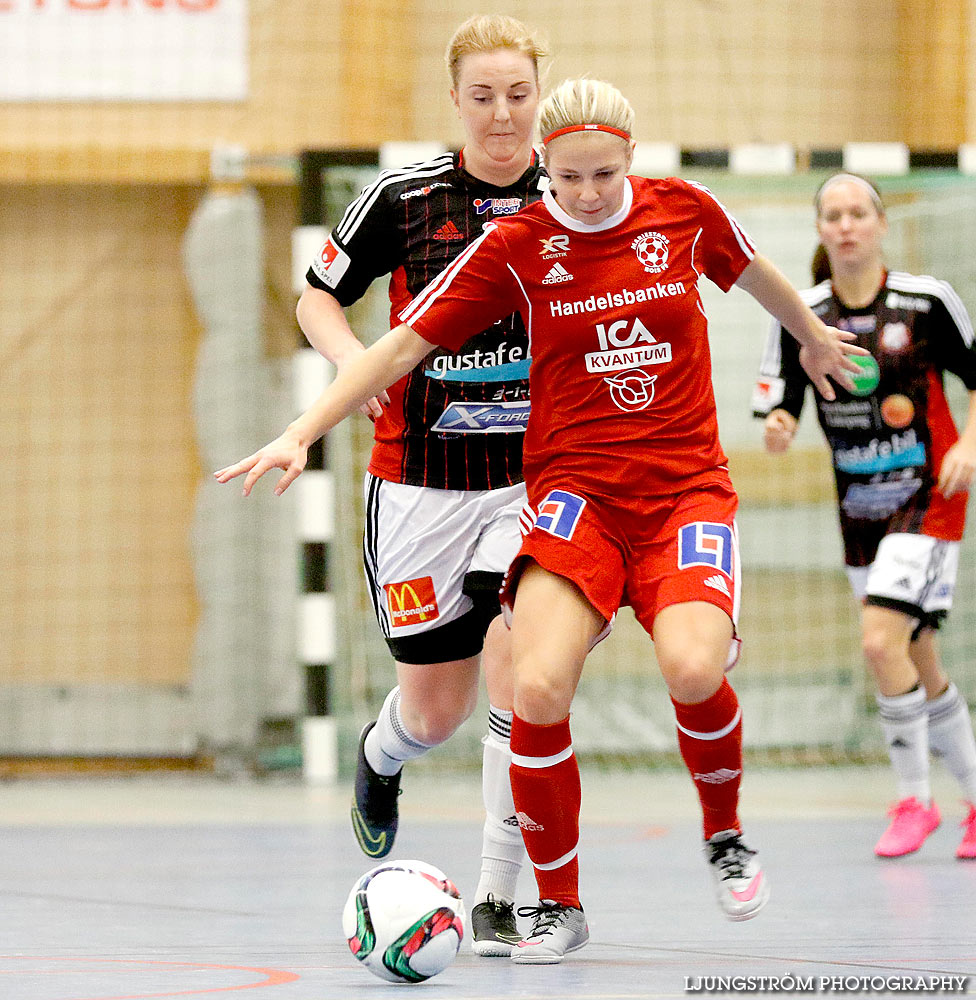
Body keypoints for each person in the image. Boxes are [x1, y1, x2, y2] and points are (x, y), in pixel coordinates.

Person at [216, 78, 864, 963]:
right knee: (535, 688)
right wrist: (301, 430)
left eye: (604, 174)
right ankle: (556, 903)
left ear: (631, 158)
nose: (588, 193)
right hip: (573, 500)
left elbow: (758, 278)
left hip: (683, 494)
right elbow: (403, 344)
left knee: (690, 667)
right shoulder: (518, 243)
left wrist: (813, 337)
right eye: (567, 177)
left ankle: (725, 835)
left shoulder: (686, 212)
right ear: (544, 169)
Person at [293, 14, 549, 956]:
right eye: (483, 96)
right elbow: (316, 294)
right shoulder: (405, 197)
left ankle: (497, 889)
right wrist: (357, 364)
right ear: (456, 100)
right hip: (419, 486)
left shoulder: (568, 195)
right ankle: (381, 754)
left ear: (539, 95)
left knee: (519, 663)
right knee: (433, 712)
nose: (502, 114)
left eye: (518, 94)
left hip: (531, 483)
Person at [755, 171, 976, 860]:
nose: (846, 225)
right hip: (859, 509)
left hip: (928, 495)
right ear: (820, 229)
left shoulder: (927, 300)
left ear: (880, 223)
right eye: (833, 215)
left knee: (880, 644)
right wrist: (781, 424)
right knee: (916, 658)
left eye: (858, 213)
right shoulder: (799, 310)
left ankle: (915, 799)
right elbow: (781, 399)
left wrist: (969, 441)